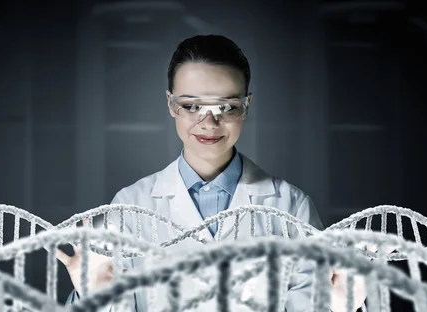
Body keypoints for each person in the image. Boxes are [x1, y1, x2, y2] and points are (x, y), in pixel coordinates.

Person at [56, 34, 366, 312]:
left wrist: (341, 306)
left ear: (246, 106)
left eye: (227, 107)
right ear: (171, 104)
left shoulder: (290, 206)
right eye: (191, 106)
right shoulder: (130, 205)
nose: (209, 123)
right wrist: (93, 297)